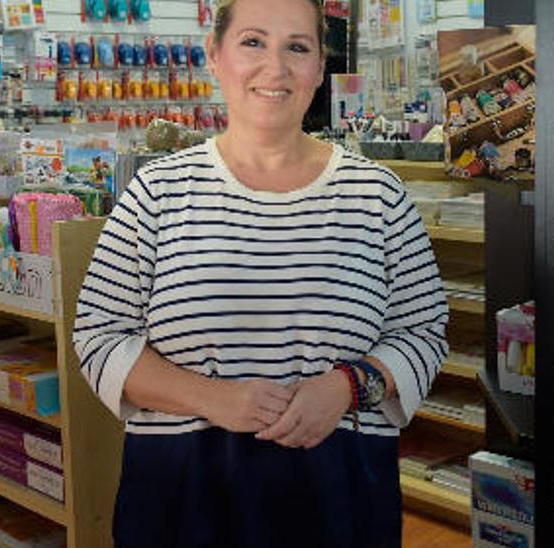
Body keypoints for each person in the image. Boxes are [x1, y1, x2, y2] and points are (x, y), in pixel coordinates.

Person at [71, 0, 449, 546]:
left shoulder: (378, 195)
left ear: (320, 68)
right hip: (183, 493)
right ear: (215, 56)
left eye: (297, 47)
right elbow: (100, 339)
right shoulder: (157, 193)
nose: (275, 68)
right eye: (253, 42)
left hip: (338, 493)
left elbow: (423, 333)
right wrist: (210, 398)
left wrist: (347, 387)